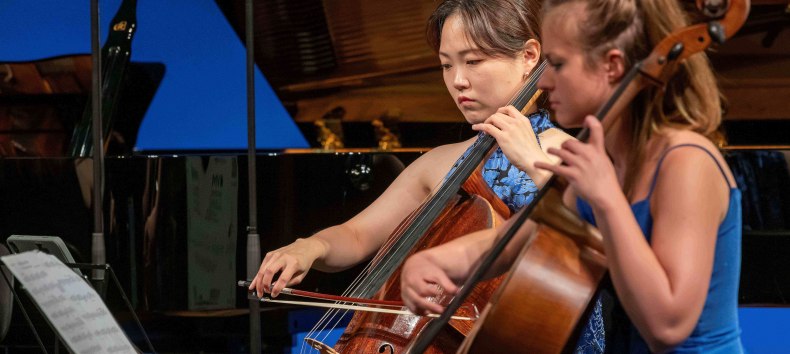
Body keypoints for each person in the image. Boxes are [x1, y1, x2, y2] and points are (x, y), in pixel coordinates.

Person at [400, 0, 744, 352]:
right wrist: (435, 260)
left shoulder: (685, 160)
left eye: (558, 64)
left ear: (612, 66)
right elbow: (512, 240)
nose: (543, 81)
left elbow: (668, 327)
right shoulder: (602, 157)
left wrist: (607, 201)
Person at [248, 0, 573, 300]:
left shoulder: (566, 151)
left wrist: (534, 162)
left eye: (473, 61)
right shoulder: (440, 162)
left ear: (529, 56)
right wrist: (310, 247)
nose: (458, 80)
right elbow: (358, 235)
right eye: (446, 65)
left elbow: (587, 237)